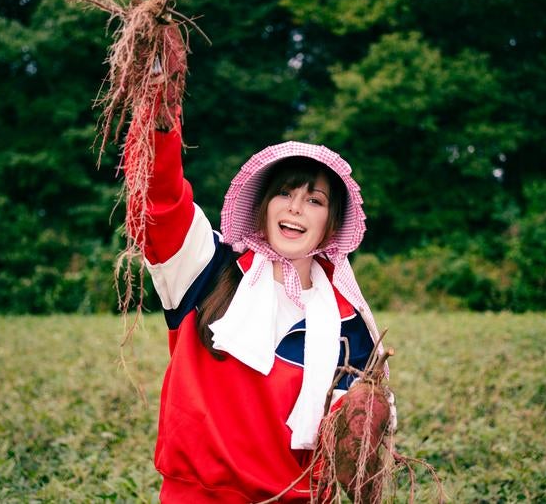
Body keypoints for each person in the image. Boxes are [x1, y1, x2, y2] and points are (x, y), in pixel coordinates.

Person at [123, 101, 386, 503]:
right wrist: (159, 116)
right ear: (263, 206)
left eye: (314, 200)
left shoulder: (348, 324)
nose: (296, 207)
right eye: (284, 193)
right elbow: (160, 202)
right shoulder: (209, 268)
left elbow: (355, 443)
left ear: (331, 224)